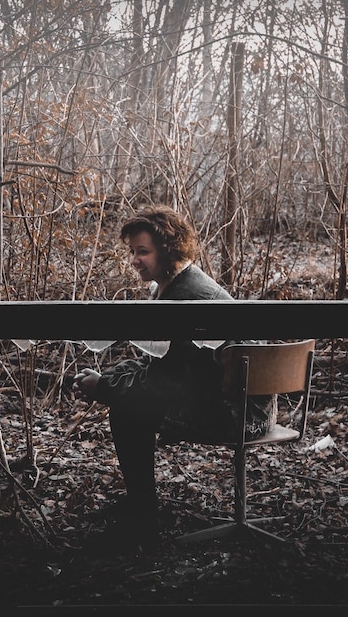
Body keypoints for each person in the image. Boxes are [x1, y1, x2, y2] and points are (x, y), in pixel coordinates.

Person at [73, 204, 277, 552]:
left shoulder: (185, 298)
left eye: (143, 252)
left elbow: (164, 382)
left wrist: (105, 387)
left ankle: (142, 515)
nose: (134, 260)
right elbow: (158, 365)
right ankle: (142, 504)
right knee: (127, 396)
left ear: (167, 250)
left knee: (126, 408)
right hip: (239, 403)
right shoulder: (177, 284)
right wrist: (109, 379)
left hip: (239, 414)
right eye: (132, 251)